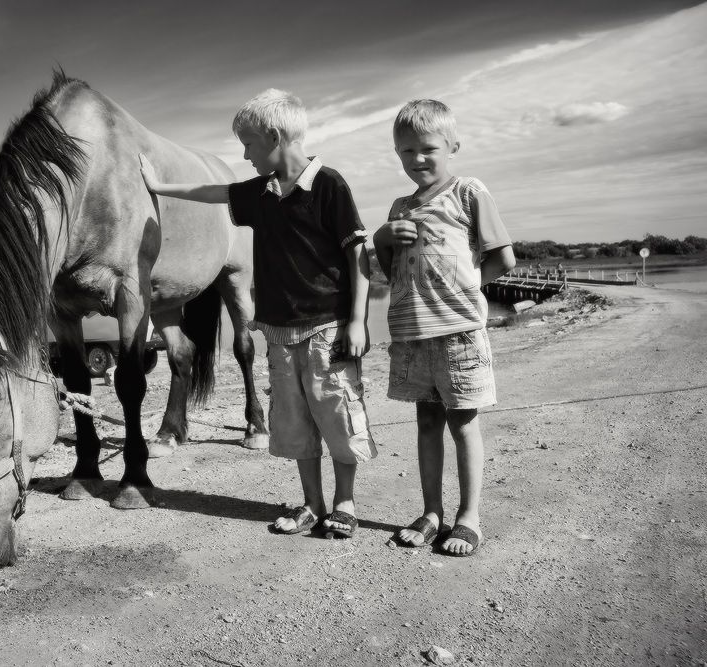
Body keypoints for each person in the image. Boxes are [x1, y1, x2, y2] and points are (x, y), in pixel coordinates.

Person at [140, 88, 375, 539]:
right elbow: (210, 191)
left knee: (338, 416)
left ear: (274, 135)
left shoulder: (330, 185)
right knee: (295, 422)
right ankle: (312, 503)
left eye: (248, 143)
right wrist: (158, 185)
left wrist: (359, 320)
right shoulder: (261, 192)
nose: (244, 154)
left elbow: (357, 256)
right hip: (280, 331)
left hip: (328, 326)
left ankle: (344, 504)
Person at [372, 99, 516, 556]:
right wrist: (383, 237)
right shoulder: (400, 207)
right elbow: (388, 269)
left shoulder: (468, 192)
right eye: (406, 151)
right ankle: (432, 512)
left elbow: (502, 258)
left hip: (458, 334)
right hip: (412, 335)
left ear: (453, 145)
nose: (417, 159)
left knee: (463, 422)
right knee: (426, 421)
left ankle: (468, 517)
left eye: (428, 148)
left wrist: (468, 290)